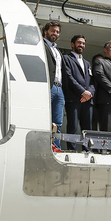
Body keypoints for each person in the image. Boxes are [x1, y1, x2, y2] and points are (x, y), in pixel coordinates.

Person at [62, 35, 95, 150]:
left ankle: (87, 150)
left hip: (87, 100)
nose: (81, 45)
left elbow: (92, 81)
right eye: (79, 43)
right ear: (72, 44)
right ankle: (72, 150)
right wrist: (82, 92)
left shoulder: (87, 63)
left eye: (83, 43)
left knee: (87, 128)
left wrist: (89, 93)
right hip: (74, 99)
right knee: (73, 127)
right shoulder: (66, 58)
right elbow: (69, 77)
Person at [42, 21, 64, 149]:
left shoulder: (58, 51)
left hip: (59, 88)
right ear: (46, 31)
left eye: (57, 31)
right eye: (53, 30)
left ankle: (56, 147)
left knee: (58, 121)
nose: (55, 33)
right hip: (48, 87)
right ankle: (46, 146)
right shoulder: (42, 45)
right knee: (45, 119)